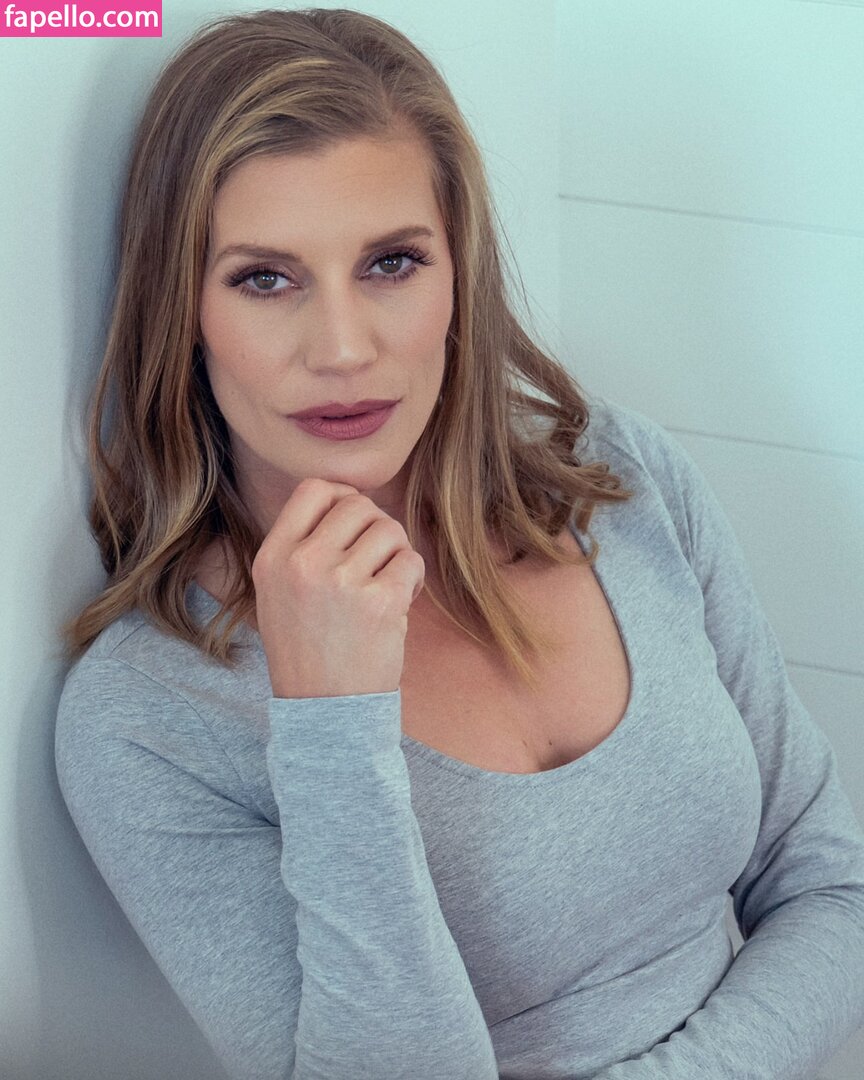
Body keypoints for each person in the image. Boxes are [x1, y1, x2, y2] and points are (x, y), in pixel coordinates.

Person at [54, 8, 864, 1080]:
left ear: (457, 274)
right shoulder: (148, 720)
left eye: (392, 263)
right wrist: (332, 727)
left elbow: (830, 886)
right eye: (265, 278)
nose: (344, 348)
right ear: (181, 312)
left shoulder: (618, 479)